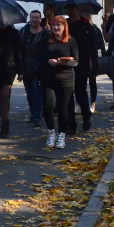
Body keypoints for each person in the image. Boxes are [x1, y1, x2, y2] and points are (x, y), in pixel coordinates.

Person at [37, 15, 79, 149]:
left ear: (64, 27)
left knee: (63, 108)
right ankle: (51, 132)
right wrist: (49, 61)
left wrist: (65, 61)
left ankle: (62, 135)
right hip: (48, 78)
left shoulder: (71, 41)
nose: (56, 27)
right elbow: (39, 56)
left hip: (66, 79)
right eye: (54, 25)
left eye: (59, 25)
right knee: (48, 106)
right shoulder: (46, 40)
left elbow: (76, 61)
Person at [66, 5, 98, 130]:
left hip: (82, 64)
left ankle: (86, 115)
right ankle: (71, 124)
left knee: (80, 92)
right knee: (68, 94)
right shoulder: (65, 25)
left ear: (77, 9)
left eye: (71, 9)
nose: (69, 11)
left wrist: (95, 67)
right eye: (67, 9)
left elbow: (93, 48)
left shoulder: (85, 25)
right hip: (67, 64)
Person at [0, 21, 22, 138]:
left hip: (9, 66)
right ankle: (2, 113)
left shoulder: (14, 33)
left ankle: (5, 122)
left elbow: (18, 52)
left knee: (5, 93)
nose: (1, 24)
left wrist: (20, 71)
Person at [18, 10, 48, 126]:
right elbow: (19, 50)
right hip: (26, 67)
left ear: (40, 20)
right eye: (32, 17)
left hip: (39, 68)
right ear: (29, 19)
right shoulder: (24, 31)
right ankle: (33, 114)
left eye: (37, 17)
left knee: (36, 92)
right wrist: (19, 71)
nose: (34, 19)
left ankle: (37, 116)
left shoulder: (45, 34)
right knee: (29, 93)